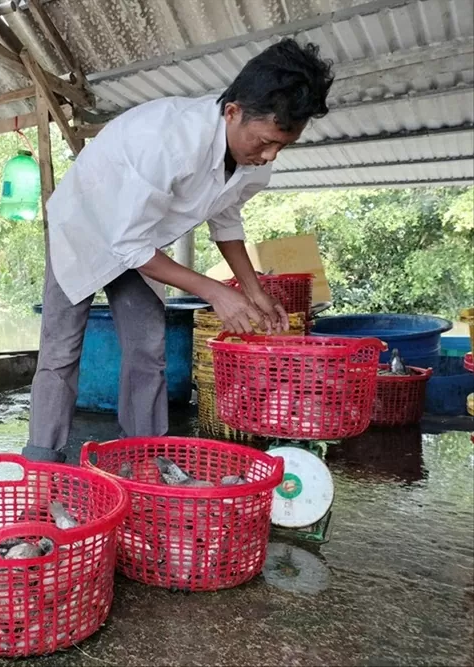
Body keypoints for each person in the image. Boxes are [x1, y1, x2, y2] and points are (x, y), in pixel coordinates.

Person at [23, 38, 334, 464]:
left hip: (142, 239)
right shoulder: (168, 142)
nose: (270, 155)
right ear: (233, 112)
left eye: (282, 145)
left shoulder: (250, 161)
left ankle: (145, 456)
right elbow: (125, 242)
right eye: (264, 141)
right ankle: (43, 459)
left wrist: (252, 288)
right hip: (83, 228)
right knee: (61, 349)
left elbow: (225, 219)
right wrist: (215, 291)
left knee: (148, 346)